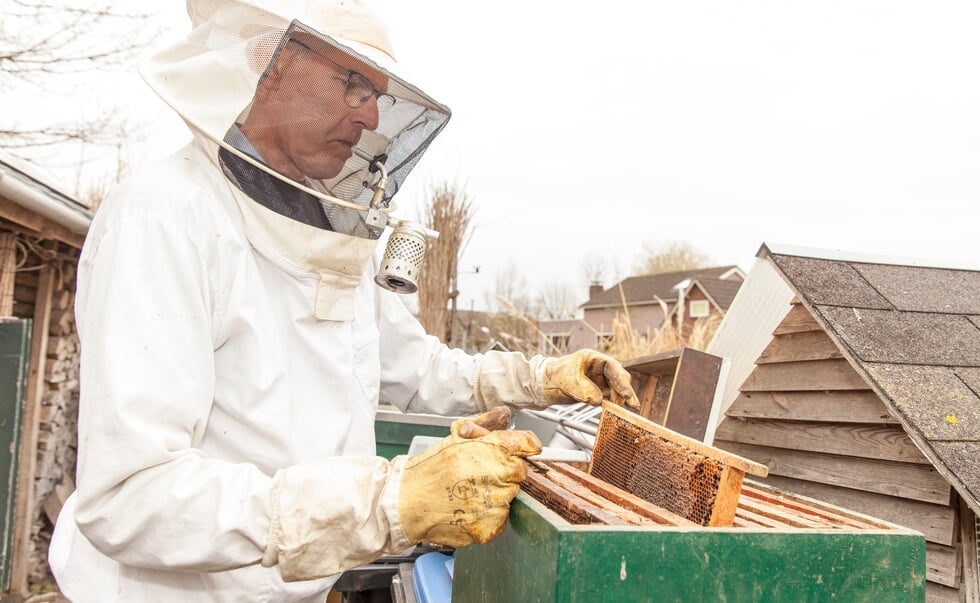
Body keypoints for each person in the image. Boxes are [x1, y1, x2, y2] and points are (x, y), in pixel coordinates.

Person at [48, 1, 639, 602]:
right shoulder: (166, 217)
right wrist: (386, 501)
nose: (373, 116)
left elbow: (416, 368)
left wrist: (542, 376)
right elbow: (130, 496)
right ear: (270, 65)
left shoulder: (331, 231)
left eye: (379, 95)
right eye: (352, 83)